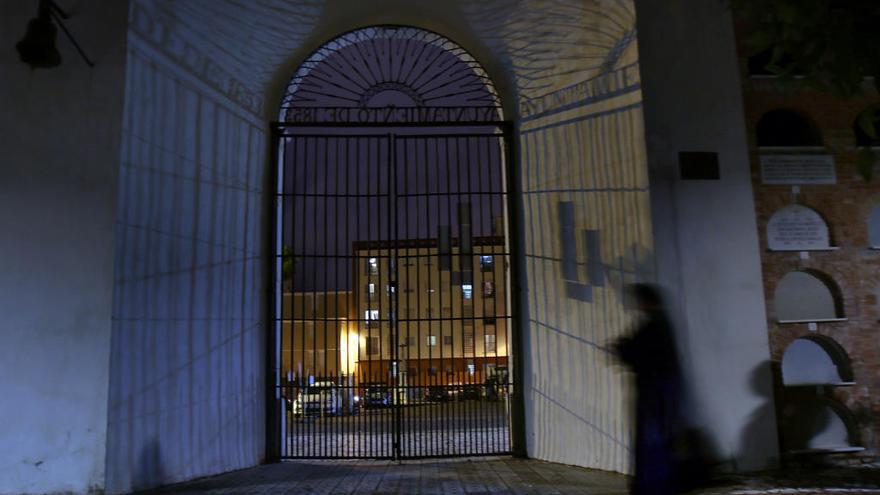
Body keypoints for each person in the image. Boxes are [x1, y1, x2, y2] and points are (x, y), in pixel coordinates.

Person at [612, 284, 684, 495]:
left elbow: (637, 354)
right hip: (662, 389)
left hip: (653, 390)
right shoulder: (661, 324)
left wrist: (623, 346)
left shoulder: (653, 325)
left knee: (651, 439)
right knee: (659, 437)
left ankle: (652, 485)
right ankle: (658, 482)